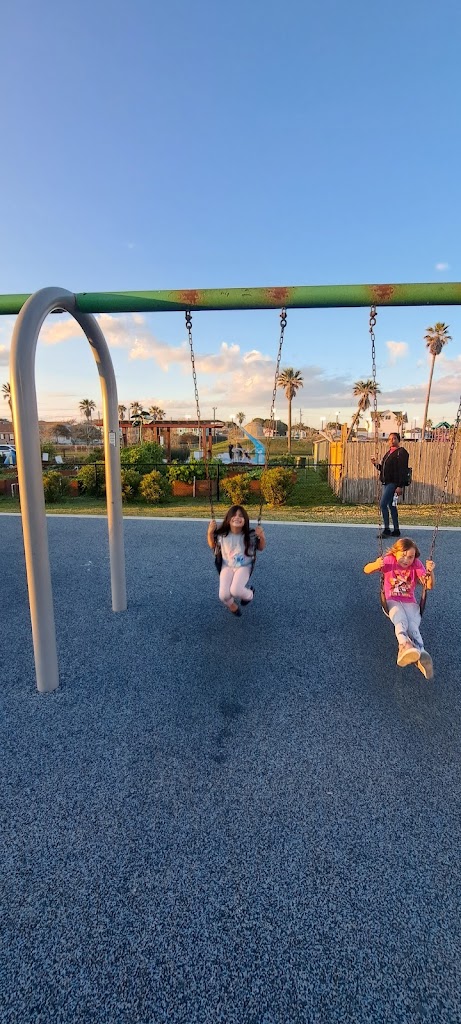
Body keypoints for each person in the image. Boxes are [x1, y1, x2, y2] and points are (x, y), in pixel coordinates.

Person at [363, 537, 435, 678]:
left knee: (413, 625)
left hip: (410, 601)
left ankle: (421, 652)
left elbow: (429, 586)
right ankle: (404, 645)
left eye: (410, 557)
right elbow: (366, 570)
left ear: (414, 557)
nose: (406, 560)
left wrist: (430, 572)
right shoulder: (389, 560)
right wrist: (376, 564)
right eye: (403, 555)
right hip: (392, 600)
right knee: (400, 619)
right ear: (395, 553)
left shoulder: (416, 564)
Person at [207, 505, 266, 616]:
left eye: (241, 516)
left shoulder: (250, 535)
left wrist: (262, 537)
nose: (237, 517)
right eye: (234, 515)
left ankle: (249, 595)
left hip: (244, 566)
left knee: (235, 590)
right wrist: (210, 533)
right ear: (228, 519)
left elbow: (261, 547)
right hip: (227, 566)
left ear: (245, 520)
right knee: (223, 595)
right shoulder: (222, 535)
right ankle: (232, 605)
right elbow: (212, 545)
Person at [371, 432, 409, 538]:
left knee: (383, 504)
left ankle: (386, 529)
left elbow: (403, 470)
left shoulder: (401, 452)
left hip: (393, 483)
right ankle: (396, 530)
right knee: (391, 506)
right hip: (387, 482)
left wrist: (400, 486)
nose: (391, 441)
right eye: (389, 439)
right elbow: (384, 469)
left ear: (398, 440)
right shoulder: (388, 453)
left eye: (394, 438)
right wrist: (375, 464)